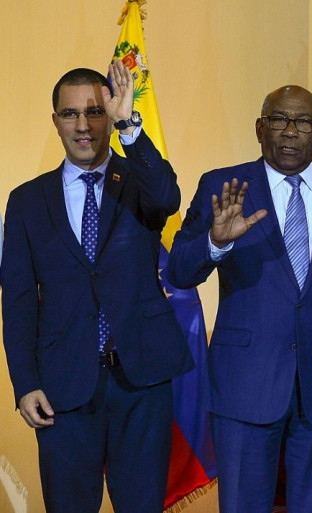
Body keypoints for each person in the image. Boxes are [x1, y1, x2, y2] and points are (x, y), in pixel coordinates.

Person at [166, 85, 312, 513]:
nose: (290, 131)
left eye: (302, 122)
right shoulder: (224, 185)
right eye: (279, 120)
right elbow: (178, 271)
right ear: (259, 128)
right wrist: (214, 241)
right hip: (244, 384)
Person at [1, 61, 194, 512]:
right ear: (55, 121)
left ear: (109, 115)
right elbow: (19, 301)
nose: (83, 125)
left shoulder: (139, 185)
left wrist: (130, 124)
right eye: (70, 114)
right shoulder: (27, 200)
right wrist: (25, 383)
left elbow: (168, 197)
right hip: (62, 388)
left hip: (141, 382)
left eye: (95, 111)